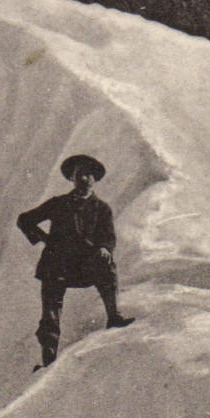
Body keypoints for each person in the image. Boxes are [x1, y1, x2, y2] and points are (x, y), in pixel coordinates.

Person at [17, 154, 134, 370]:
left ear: (95, 179)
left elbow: (108, 237)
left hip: (84, 267)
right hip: (56, 265)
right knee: (50, 315)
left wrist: (104, 249)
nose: (84, 179)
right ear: (72, 178)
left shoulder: (102, 208)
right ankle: (48, 360)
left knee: (107, 265)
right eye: (79, 174)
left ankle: (114, 316)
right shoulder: (58, 203)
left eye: (89, 174)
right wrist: (44, 240)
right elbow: (24, 220)